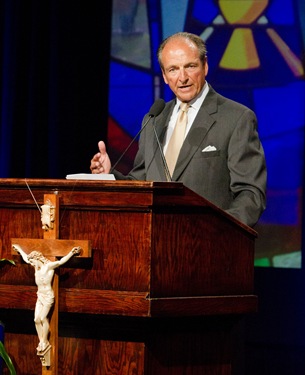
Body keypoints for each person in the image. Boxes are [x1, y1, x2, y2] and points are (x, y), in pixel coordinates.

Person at [90, 32, 266, 227]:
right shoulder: (154, 120)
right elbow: (140, 184)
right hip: (156, 241)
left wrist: (221, 230)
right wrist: (108, 177)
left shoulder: (236, 118)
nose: (182, 78)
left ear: (205, 65)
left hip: (210, 245)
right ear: (165, 76)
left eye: (190, 66)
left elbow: (250, 193)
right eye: (173, 69)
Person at [12, 244, 81, 352]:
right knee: (36, 320)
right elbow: (26, 259)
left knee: (43, 318)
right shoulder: (36, 267)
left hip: (48, 296)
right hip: (39, 296)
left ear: (37, 259)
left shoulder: (48, 267)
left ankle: (45, 341)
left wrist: (72, 252)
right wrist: (20, 249)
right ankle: (42, 341)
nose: (31, 264)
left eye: (33, 261)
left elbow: (60, 262)